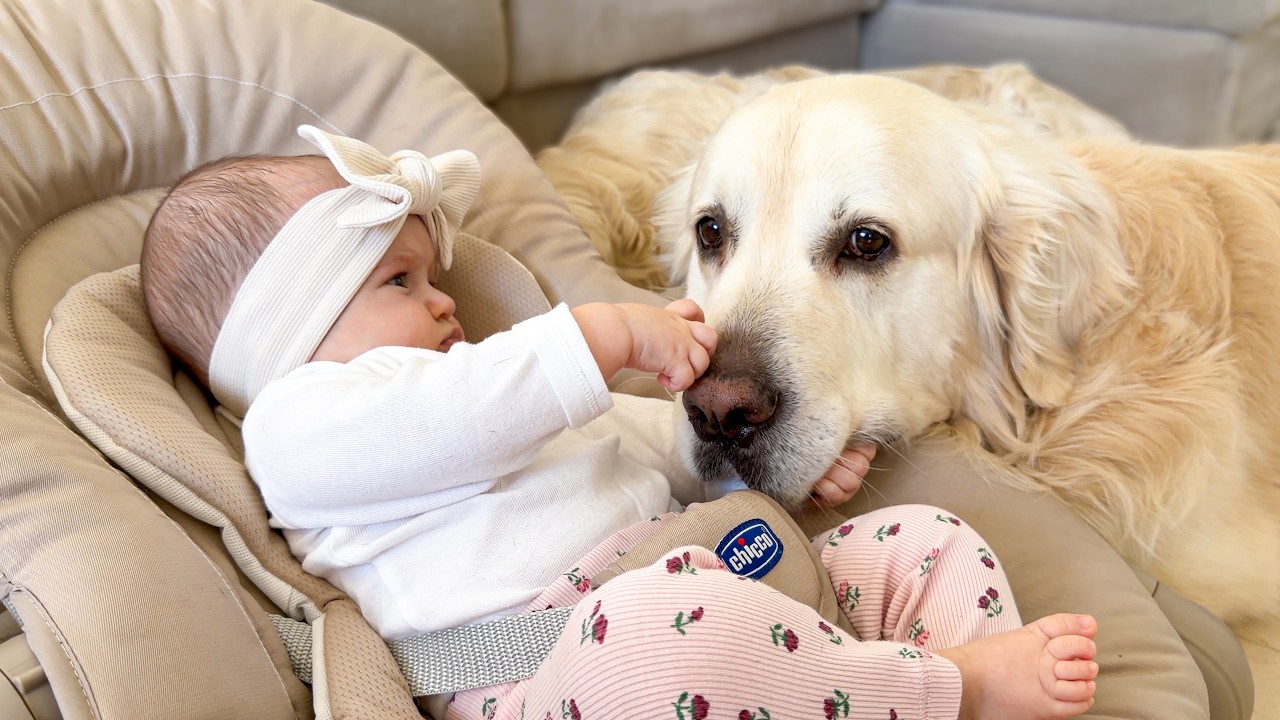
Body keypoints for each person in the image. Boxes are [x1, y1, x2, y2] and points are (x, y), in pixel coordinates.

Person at [140, 125, 1099, 720]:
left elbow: (657, 459)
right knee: (654, 634)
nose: (443, 305)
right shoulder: (302, 427)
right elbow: (454, 417)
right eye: (400, 282)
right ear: (293, 334)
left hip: (720, 593)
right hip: (557, 671)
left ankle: (925, 680)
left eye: (434, 278)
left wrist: (734, 456)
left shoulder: (496, 398)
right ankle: (952, 692)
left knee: (924, 541)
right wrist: (589, 342)